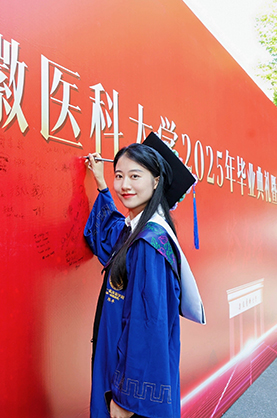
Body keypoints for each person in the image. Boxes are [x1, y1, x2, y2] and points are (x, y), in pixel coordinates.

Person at [83, 135, 204, 418]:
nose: (124, 185)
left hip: (130, 385)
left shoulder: (150, 244)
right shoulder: (135, 230)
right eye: (119, 176)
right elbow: (107, 234)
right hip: (118, 364)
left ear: (156, 181)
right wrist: (101, 184)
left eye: (135, 176)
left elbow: (148, 327)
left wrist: (128, 400)